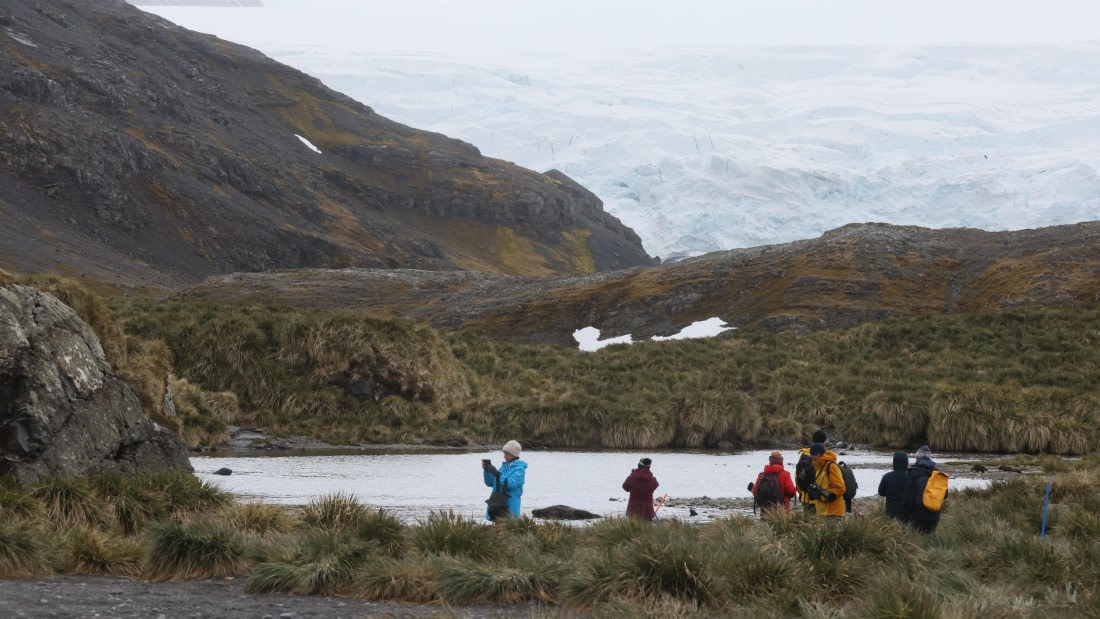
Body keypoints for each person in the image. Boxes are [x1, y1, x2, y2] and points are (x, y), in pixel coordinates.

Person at [901, 445, 945, 534]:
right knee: (929, 539)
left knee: (917, 539)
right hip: (933, 514)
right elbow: (944, 494)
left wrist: (904, 518)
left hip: (917, 514)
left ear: (918, 457)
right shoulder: (938, 473)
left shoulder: (913, 473)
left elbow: (907, 496)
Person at [482, 440, 527, 520]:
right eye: (504, 453)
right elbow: (490, 483)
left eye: (507, 454)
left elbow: (510, 484)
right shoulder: (503, 468)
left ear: (513, 454)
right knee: (498, 530)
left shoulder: (519, 469)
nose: (504, 456)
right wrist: (487, 471)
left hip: (510, 506)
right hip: (498, 506)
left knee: (508, 530)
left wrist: (497, 474)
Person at [795, 430, 828, 513]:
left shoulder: (804, 455)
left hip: (805, 498)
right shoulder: (823, 456)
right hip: (819, 498)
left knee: (807, 522)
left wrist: (801, 493)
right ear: (824, 442)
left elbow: (797, 476)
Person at [810, 442, 846, 517]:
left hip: (833, 512)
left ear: (819, 454)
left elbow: (841, 488)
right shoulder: (818, 466)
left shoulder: (831, 466)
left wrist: (823, 496)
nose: (811, 457)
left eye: (813, 455)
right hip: (822, 512)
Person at [877, 451, 909, 520]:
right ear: (906, 462)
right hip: (905, 510)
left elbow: (880, 492)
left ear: (894, 462)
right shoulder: (909, 477)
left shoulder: (887, 476)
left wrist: (890, 493)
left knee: (891, 528)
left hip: (890, 510)